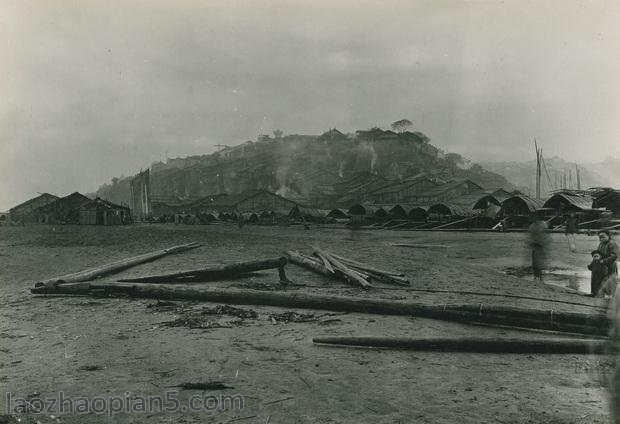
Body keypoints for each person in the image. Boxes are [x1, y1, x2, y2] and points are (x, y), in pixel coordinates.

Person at [597, 230, 619, 297]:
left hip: (610, 266)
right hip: (602, 266)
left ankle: (611, 297)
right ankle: (602, 296)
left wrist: (604, 261)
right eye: (600, 237)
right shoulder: (601, 244)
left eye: (603, 237)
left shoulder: (612, 243)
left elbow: (615, 256)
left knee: (611, 281)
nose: (601, 239)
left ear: (608, 236)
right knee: (601, 281)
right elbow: (598, 253)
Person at [528, 216, 550, 283]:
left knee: (536, 260)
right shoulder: (543, 224)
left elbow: (531, 235)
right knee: (538, 260)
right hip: (539, 244)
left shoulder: (532, 226)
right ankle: (539, 275)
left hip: (536, 244)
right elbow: (545, 234)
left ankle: (537, 275)